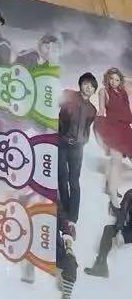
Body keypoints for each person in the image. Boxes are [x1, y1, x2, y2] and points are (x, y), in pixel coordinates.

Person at [58, 72, 98, 223]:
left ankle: (73, 217)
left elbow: (86, 127)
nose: (88, 87)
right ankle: (65, 212)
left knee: (74, 181)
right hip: (62, 143)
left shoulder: (92, 110)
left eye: (92, 86)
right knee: (62, 178)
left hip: (77, 148)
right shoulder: (68, 95)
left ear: (94, 90)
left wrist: (83, 141)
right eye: (86, 84)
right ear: (80, 84)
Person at [95, 67, 132, 196]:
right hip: (113, 129)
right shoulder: (103, 91)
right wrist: (99, 127)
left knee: (118, 161)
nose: (113, 81)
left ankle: (109, 185)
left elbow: (129, 81)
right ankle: (112, 188)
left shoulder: (124, 91)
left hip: (126, 130)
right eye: (111, 78)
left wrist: (121, 77)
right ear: (107, 79)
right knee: (116, 161)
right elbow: (101, 110)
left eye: (117, 79)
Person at [84, 186, 132, 278]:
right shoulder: (130, 193)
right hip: (130, 229)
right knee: (108, 229)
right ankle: (101, 265)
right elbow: (122, 212)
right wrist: (119, 231)